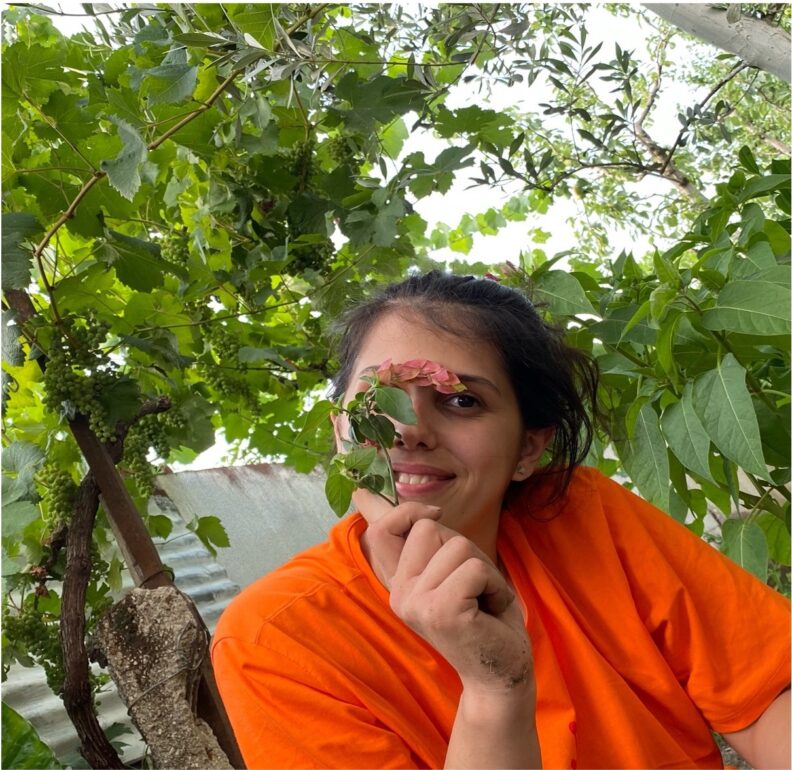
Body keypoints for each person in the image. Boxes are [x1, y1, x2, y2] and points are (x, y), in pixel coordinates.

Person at [211, 271, 790, 769]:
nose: (407, 428)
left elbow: (765, 698)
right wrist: (493, 689)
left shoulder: (583, 515)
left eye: (462, 400)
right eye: (376, 397)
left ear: (527, 450)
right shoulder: (274, 640)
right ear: (339, 427)